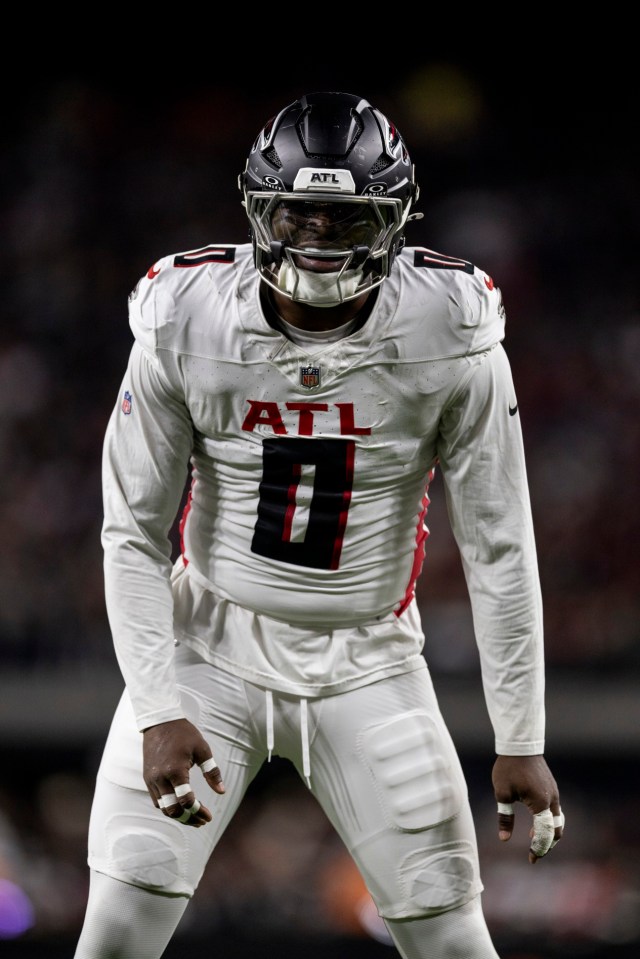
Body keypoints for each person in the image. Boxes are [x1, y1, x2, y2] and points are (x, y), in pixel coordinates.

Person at [74, 91, 564, 959]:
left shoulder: (447, 326)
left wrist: (521, 735)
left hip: (367, 656)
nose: (319, 237)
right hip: (209, 646)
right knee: (116, 925)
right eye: (300, 212)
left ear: (396, 219)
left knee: (451, 930)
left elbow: (500, 545)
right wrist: (156, 705)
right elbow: (132, 532)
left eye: (345, 217)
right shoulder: (187, 314)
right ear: (260, 209)